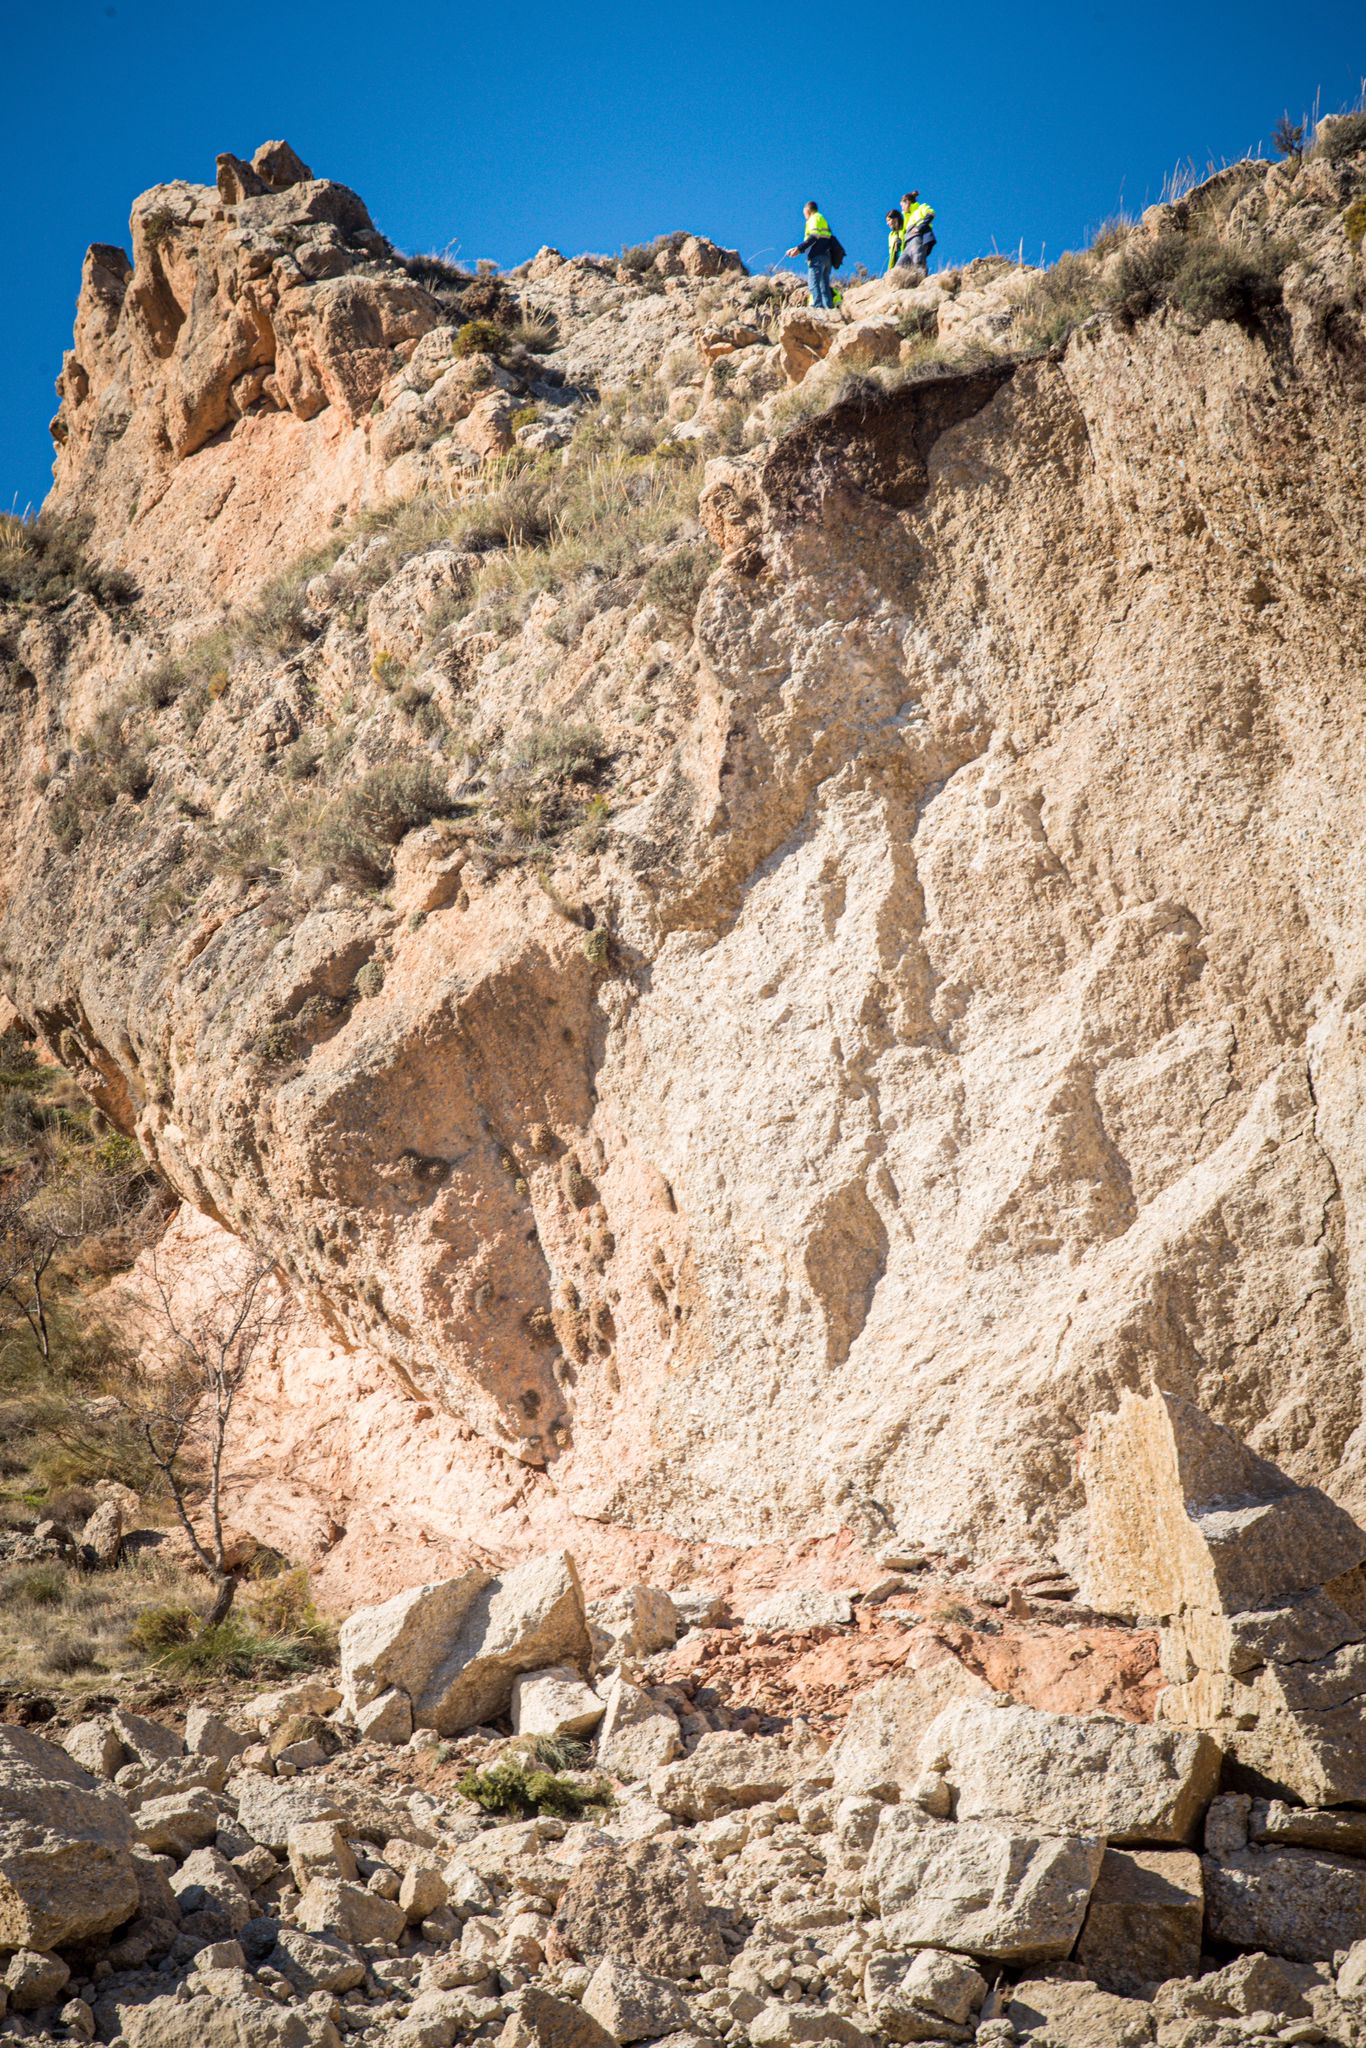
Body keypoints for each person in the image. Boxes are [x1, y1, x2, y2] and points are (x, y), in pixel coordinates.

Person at [788, 200, 837, 310]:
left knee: (813, 282)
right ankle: (828, 308)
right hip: (827, 256)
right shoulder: (821, 218)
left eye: (804, 212)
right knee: (823, 284)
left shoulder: (813, 218)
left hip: (817, 257)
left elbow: (814, 237)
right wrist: (797, 249)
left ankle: (817, 307)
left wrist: (799, 249)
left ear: (807, 210)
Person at [898, 190, 937, 274]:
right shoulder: (907, 217)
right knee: (899, 266)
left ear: (907, 202)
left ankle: (922, 280)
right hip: (907, 245)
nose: (902, 208)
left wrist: (920, 227)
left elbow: (931, 213)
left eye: (902, 205)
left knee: (918, 260)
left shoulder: (921, 208)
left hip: (918, 239)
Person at [886, 207, 905, 271]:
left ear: (895, 219)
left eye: (889, 220)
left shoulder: (904, 228)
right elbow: (891, 252)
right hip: (895, 262)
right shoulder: (891, 235)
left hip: (906, 258)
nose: (887, 223)